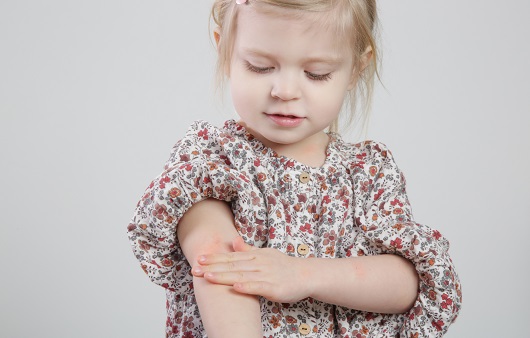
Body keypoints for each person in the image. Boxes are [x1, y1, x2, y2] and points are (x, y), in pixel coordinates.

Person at [127, 0, 462, 337]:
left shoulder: (369, 172)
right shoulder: (212, 162)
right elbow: (218, 268)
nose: (285, 91)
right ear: (225, 49)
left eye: (316, 73)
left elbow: (407, 284)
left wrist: (303, 275)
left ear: (357, 69)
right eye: (260, 66)